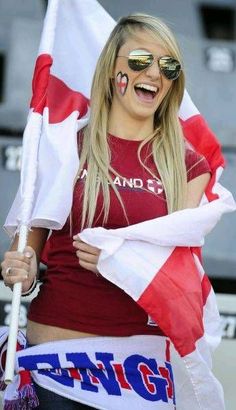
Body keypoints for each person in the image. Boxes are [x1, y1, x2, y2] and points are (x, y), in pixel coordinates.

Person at [1, 13, 218, 410]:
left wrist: (121, 258)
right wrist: (23, 269)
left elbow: (179, 272)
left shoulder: (188, 167)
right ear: (112, 68)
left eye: (167, 65)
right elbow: (28, 253)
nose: (154, 72)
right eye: (139, 59)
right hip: (56, 364)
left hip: (140, 375)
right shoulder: (66, 144)